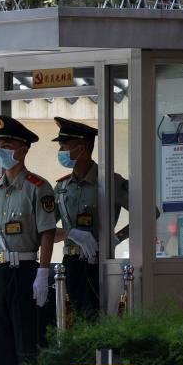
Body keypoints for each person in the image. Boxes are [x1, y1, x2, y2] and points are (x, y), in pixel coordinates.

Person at [0, 116, 57, 365]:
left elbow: (47, 232)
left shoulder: (37, 187)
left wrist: (43, 272)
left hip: (25, 272)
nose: (0, 149)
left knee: (26, 341)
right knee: (0, 341)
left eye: (6, 143)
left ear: (23, 149)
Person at [51, 117, 131, 318]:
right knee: (69, 323)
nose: (61, 152)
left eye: (65, 146)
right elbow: (43, 230)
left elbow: (150, 213)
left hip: (99, 262)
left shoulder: (109, 182)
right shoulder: (61, 188)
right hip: (70, 262)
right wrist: (69, 233)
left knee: (95, 321)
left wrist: (116, 238)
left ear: (83, 147)